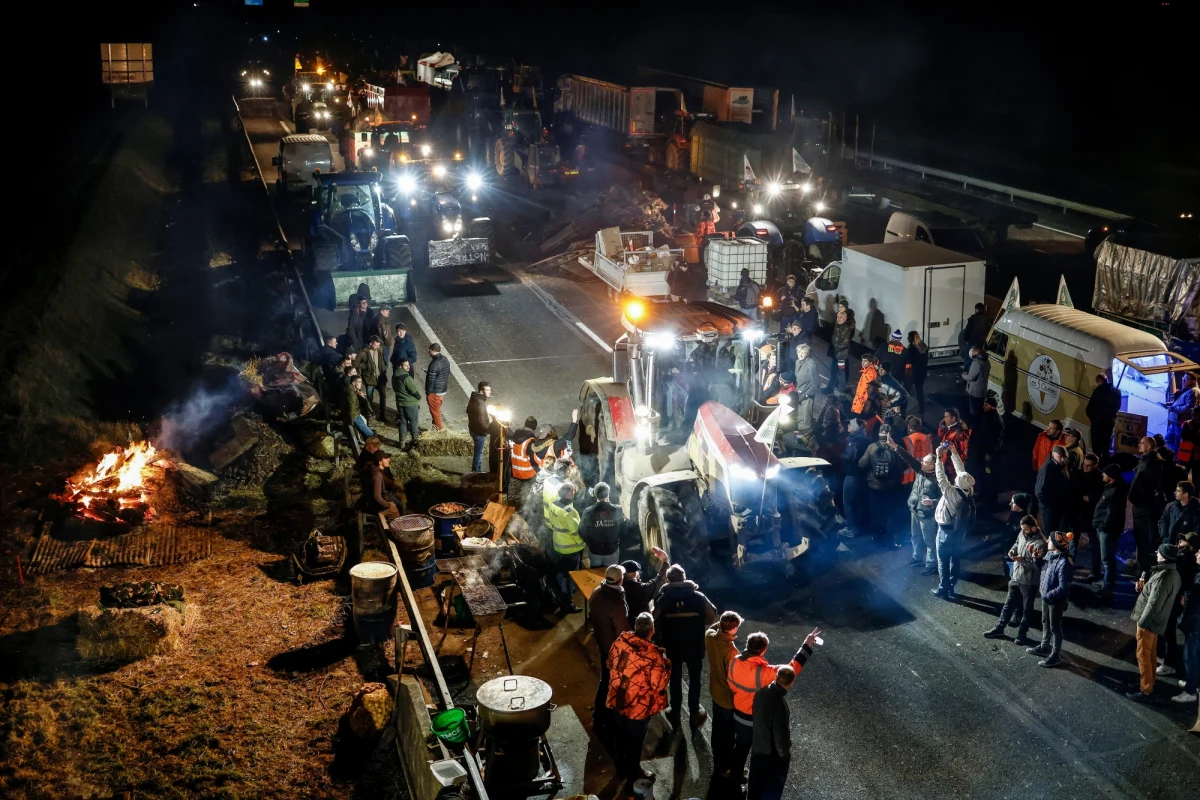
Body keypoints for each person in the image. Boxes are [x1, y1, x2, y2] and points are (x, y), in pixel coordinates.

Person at [728, 628, 820, 786]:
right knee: (758, 753)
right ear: (763, 650)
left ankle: (735, 782)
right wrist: (807, 645)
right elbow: (791, 669)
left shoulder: (734, 661)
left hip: (738, 714)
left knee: (740, 749)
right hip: (754, 719)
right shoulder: (763, 672)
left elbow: (731, 684)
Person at [606, 613, 670, 785]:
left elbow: (609, 664)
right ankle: (634, 772)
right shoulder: (653, 655)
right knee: (635, 741)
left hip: (617, 697)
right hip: (637, 706)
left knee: (620, 735)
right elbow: (658, 685)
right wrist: (666, 666)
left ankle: (620, 768)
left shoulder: (620, 642)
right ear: (652, 631)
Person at [652, 564, 718, 731]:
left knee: (674, 678)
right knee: (695, 678)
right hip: (694, 644)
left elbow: (653, 620)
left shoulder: (663, 599)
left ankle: (675, 712)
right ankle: (695, 712)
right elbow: (711, 618)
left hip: (673, 645)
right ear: (684, 577)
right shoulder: (698, 597)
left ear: (669, 579)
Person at [1127, 544, 1183, 702]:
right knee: (1150, 652)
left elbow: (1153, 604)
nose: (1157, 554)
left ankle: (1146, 689)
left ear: (1164, 556)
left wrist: (1142, 623)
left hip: (1149, 622)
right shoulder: (1173, 573)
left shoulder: (1164, 576)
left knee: (1143, 654)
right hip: (1158, 622)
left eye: (1159, 552)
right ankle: (1149, 680)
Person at [984, 515, 1047, 645]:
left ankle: (1022, 634)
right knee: (1008, 605)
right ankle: (999, 628)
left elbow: (1038, 566)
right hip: (1016, 577)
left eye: (1025, 529)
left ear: (1034, 528)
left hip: (1029, 582)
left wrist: (1022, 561)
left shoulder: (1040, 543)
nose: (1023, 531)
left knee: (1026, 610)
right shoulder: (1022, 533)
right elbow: (1017, 544)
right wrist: (1012, 551)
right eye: (1022, 529)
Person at [590, 564, 631, 757]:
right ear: (621, 580)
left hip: (602, 642)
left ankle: (599, 716)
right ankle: (609, 719)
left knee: (605, 679)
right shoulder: (616, 603)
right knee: (613, 682)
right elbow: (622, 631)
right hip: (614, 650)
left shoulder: (598, 592)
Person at [889, 431, 940, 573]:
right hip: (915, 509)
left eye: (925, 461)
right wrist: (895, 447)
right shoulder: (921, 470)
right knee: (915, 536)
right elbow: (908, 458)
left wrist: (933, 502)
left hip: (927, 514)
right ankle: (917, 558)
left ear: (932, 466)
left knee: (929, 541)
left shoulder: (939, 479)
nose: (921, 462)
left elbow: (944, 498)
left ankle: (931, 565)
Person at [747, 665, 797, 800]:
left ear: (776, 677)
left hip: (758, 746)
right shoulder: (779, 704)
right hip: (771, 754)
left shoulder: (761, 692)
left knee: (754, 786)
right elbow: (780, 735)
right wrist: (784, 756)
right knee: (771, 790)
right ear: (791, 683)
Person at [932, 441, 974, 600]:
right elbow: (961, 470)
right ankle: (951, 587)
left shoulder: (951, 492)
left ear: (957, 482)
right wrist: (954, 453)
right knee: (955, 559)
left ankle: (943, 588)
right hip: (959, 531)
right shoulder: (969, 490)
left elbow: (940, 476)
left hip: (945, 531)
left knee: (943, 560)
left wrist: (938, 457)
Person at [705, 610, 743, 779]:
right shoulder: (732, 652)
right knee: (729, 736)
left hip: (715, 691)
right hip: (727, 698)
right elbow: (735, 679)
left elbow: (712, 628)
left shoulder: (710, 637)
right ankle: (726, 766)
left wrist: (721, 625)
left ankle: (718, 761)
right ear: (734, 628)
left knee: (718, 729)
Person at [1028, 530, 1073, 667]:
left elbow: (1064, 587)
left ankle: (1055, 655)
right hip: (1046, 597)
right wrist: (1036, 558)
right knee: (1045, 623)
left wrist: (1048, 596)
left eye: (1050, 539)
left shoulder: (1064, 563)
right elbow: (1043, 569)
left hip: (1055, 601)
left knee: (1055, 628)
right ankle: (1044, 646)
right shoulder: (1050, 555)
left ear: (1056, 544)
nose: (1047, 541)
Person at [858, 425, 904, 546]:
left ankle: (877, 540)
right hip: (890, 488)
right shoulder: (894, 448)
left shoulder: (872, 447)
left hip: (874, 487)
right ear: (890, 434)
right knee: (889, 514)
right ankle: (890, 540)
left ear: (879, 433)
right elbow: (900, 468)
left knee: (875, 514)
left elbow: (861, 464)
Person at [546, 482, 585, 615]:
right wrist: (583, 542)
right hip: (571, 549)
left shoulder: (553, 504)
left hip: (558, 544)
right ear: (568, 493)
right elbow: (575, 531)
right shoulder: (569, 512)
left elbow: (552, 523)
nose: (574, 492)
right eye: (573, 491)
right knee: (569, 578)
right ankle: (567, 605)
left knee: (561, 573)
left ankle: (559, 596)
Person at [1092, 463, 1128, 598]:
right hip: (1105, 528)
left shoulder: (1115, 491)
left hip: (1107, 529)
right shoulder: (1112, 487)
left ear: (1111, 477)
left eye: (1105, 473)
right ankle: (1105, 582)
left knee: (1107, 558)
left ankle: (1107, 587)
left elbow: (1111, 513)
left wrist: (1102, 526)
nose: (1102, 474)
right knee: (1106, 557)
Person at [1130, 436, 1164, 572]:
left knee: (1142, 535)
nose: (1139, 445)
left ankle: (1142, 566)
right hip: (1140, 504)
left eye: (1142, 443)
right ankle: (1139, 561)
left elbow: (1148, 486)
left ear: (1149, 447)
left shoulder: (1151, 464)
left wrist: (1138, 499)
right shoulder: (1146, 460)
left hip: (1142, 505)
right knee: (1139, 534)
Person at [1173, 539, 1200, 704]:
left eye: (1199, 553)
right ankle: (1193, 682)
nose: (1196, 553)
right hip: (1195, 620)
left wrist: (1187, 599)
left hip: (1196, 622)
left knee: (1191, 656)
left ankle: (1191, 691)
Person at [969, 391, 1004, 508]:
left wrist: (989, 453)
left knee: (989, 475)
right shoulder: (986, 416)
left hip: (987, 454)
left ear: (993, 407)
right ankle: (983, 493)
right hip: (980, 450)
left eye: (986, 405)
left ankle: (991, 498)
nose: (984, 406)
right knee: (981, 473)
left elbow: (996, 440)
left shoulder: (996, 421)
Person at [1074, 453, 1105, 578]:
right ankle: (1068, 566)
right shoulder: (1078, 474)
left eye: (1089, 466)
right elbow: (1073, 491)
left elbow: (1100, 496)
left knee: (1094, 544)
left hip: (1092, 516)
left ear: (1095, 465)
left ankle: (1095, 571)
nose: (1086, 467)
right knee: (1072, 542)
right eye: (1085, 465)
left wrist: (1090, 498)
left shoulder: (1100, 477)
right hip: (1077, 514)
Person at [579, 482, 623, 567]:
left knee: (596, 576)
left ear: (595, 495)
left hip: (595, 551)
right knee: (612, 575)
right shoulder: (617, 510)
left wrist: (590, 544)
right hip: (612, 550)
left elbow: (582, 531)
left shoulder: (588, 511)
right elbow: (623, 529)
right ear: (608, 494)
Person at [621, 550, 668, 618]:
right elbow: (660, 580)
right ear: (634, 575)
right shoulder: (642, 589)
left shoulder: (616, 589)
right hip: (641, 624)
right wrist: (665, 560)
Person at [1035, 446, 1072, 533]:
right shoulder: (1047, 468)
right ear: (1053, 455)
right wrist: (1049, 507)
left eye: (1064, 457)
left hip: (1059, 507)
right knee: (1050, 533)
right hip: (1050, 510)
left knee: (1060, 532)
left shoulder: (1062, 466)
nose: (1062, 459)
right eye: (1060, 457)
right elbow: (1040, 491)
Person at [1086, 374, 1122, 458]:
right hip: (1109, 424)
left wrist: (1092, 419)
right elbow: (1118, 407)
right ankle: (1104, 465)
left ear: (1099, 381)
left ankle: (1096, 464)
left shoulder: (1097, 391)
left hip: (1097, 424)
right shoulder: (1117, 392)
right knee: (1106, 447)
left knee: (1096, 448)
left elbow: (1089, 409)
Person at [355, 336, 387, 420]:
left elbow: (382, 360)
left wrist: (384, 368)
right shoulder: (363, 352)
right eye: (375, 345)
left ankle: (382, 414)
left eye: (378, 345)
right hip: (370, 378)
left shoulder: (380, 349)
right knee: (369, 396)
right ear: (370, 343)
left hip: (380, 377)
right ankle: (369, 413)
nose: (377, 347)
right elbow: (356, 364)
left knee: (383, 395)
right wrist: (365, 366)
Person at [1159, 481, 1200, 547]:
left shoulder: (1196, 511)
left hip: (1185, 547)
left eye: (1178, 491)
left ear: (1185, 494)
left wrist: (1189, 543)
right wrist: (1164, 536)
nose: (1175, 492)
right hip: (1169, 544)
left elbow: (1197, 531)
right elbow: (1163, 519)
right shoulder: (1172, 506)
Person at [391, 360, 422, 447]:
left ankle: (401, 443)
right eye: (406, 365)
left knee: (403, 422)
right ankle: (415, 442)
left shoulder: (394, 376)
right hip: (410, 404)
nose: (409, 367)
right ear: (401, 366)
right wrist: (419, 397)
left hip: (400, 403)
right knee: (413, 423)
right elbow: (413, 390)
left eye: (408, 365)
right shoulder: (406, 378)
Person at [793, 343, 819, 438]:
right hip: (799, 394)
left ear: (807, 354)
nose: (800, 355)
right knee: (800, 416)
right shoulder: (797, 362)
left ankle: (807, 438)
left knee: (806, 418)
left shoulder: (811, 365)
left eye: (803, 353)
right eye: (799, 352)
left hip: (807, 395)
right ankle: (800, 436)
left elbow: (815, 383)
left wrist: (807, 395)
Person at [466, 381, 492, 473]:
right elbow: (482, 422)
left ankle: (479, 471)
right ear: (481, 391)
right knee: (478, 453)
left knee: (478, 452)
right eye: (488, 390)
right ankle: (475, 472)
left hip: (472, 428)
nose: (490, 392)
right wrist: (489, 430)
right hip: (479, 432)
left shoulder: (474, 398)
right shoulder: (480, 403)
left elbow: (468, 410)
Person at [937, 408, 971, 479]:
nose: (944, 419)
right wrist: (941, 428)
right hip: (947, 466)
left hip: (953, 469)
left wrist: (955, 469)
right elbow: (941, 436)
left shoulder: (959, 433)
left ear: (953, 418)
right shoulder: (949, 429)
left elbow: (963, 452)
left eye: (946, 417)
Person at [367, 450, 400, 519]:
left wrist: (393, 483)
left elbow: (384, 478)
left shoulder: (376, 470)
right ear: (380, 462)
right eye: (385, 458)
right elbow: (377, 497)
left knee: (398, 504)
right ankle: (394, 526)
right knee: (398, 507)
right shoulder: (377, 476)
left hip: (377, 499)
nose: (389, 459)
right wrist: (389, 505)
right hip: (375, 506)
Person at [425, 343, 450, 431]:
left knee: (435, 413)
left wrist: (428, 393)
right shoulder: (445, 359)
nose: (428, 351)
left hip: (435, 392)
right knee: (435, 411)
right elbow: (445, 373)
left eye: (430, 350)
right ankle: (434, 429)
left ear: (434, 351)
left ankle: (439, 432)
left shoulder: (434, 364)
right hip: (442, 389)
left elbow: (431, 381)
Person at [828, 308, 854, 395]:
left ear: (845, 318)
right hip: (837, 352)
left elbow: (844, 342)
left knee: (841, 371)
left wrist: (836, 346)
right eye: (838, 317)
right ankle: (838, 385)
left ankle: (841, 388)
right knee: (837, 370)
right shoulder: (838, 326)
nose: (839, 319)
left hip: (841, 354)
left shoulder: (845, 328)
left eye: (841, 317)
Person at [904, 331, 930, 416]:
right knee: (920, 391)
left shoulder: (911, 348)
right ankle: (921, 410)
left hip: (913, 373)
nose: (907, 338)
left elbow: (909, 361)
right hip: (921, 372)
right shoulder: (923, 346)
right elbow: (926, 360)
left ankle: (902, 411)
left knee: (905, 391)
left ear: (911, 338)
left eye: (908, 337)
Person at [963, 344, 990, 422]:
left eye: (973, 351)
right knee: (980, 410)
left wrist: (964, 376)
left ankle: (975, 427)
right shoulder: (986, 361)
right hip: (983, 390)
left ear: (977, 352)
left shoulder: (976, 363)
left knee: (974, 412)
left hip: (975, 392)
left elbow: (971, 377)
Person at [960, 302, 990, 371]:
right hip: (982, 343)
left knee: (968, 358)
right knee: (981, 360)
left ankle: (968, 374)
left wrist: (966, 340)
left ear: (976, 309)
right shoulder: (988, 319)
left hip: (972, 342)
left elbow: (968, 331)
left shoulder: (972, 319)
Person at [509, 416, 539, 483]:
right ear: (534, 428)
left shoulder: (514, 436)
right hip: (527, 474)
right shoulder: (531, 441)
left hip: (514, 472)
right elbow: (534, 460)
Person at [374, 306, 396, 372]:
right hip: (383, 345)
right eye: (386, 311)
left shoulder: (376, 318)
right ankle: (382, 377)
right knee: (384, 363)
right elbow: (386, 335)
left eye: (388, 311)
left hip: (377, 343)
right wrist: (389, 344)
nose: (388, 313)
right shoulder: (383, 321)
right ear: (381, 311)